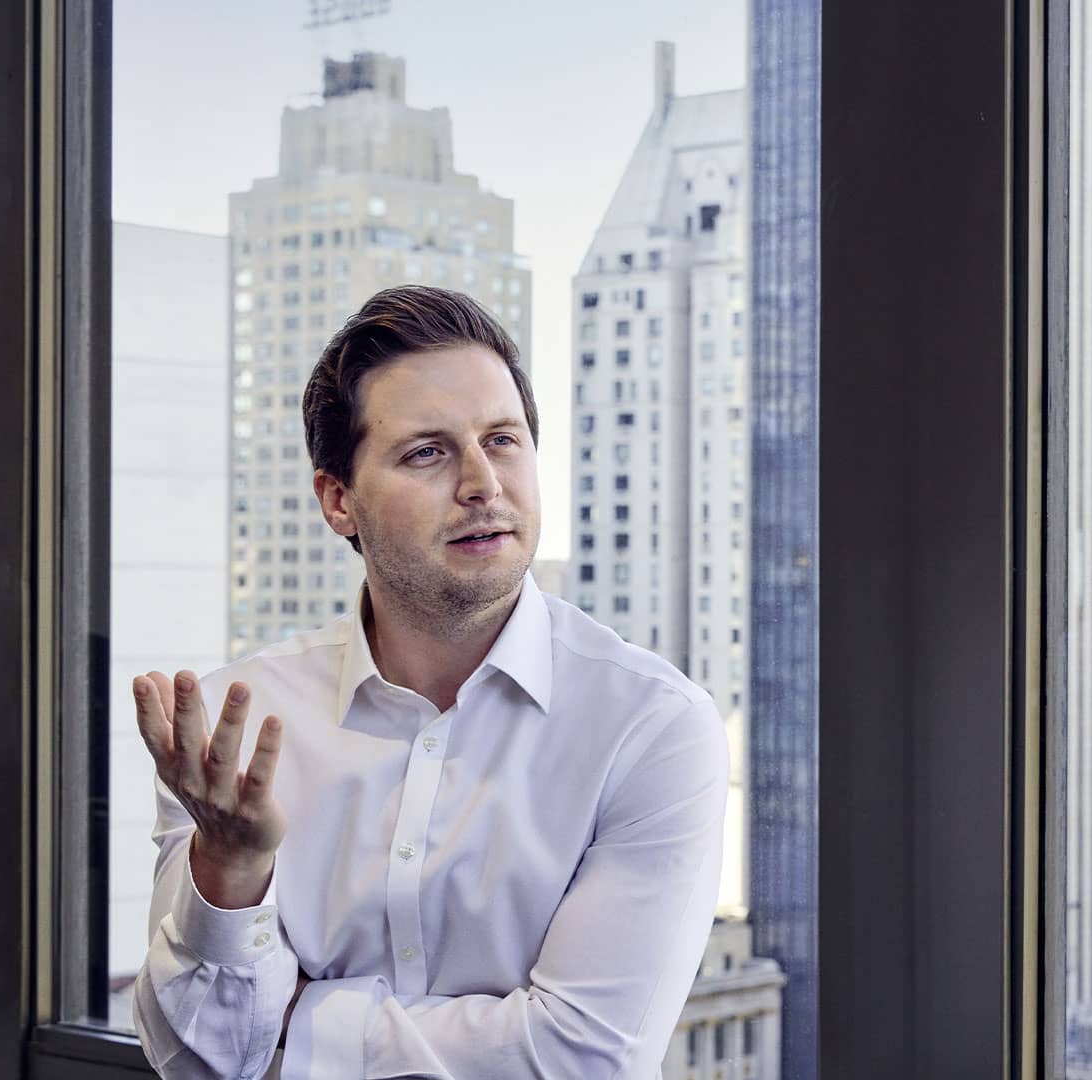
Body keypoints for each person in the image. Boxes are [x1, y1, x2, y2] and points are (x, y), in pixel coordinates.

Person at [129, 286, 729, 1079]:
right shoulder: (233, 729)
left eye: (503, 440)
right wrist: (231, 873)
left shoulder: (650, 727)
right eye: (427, 453)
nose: (483, 483)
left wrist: (297, 1022)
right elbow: (194, 1059)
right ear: (338, 501)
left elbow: (586, 1060)